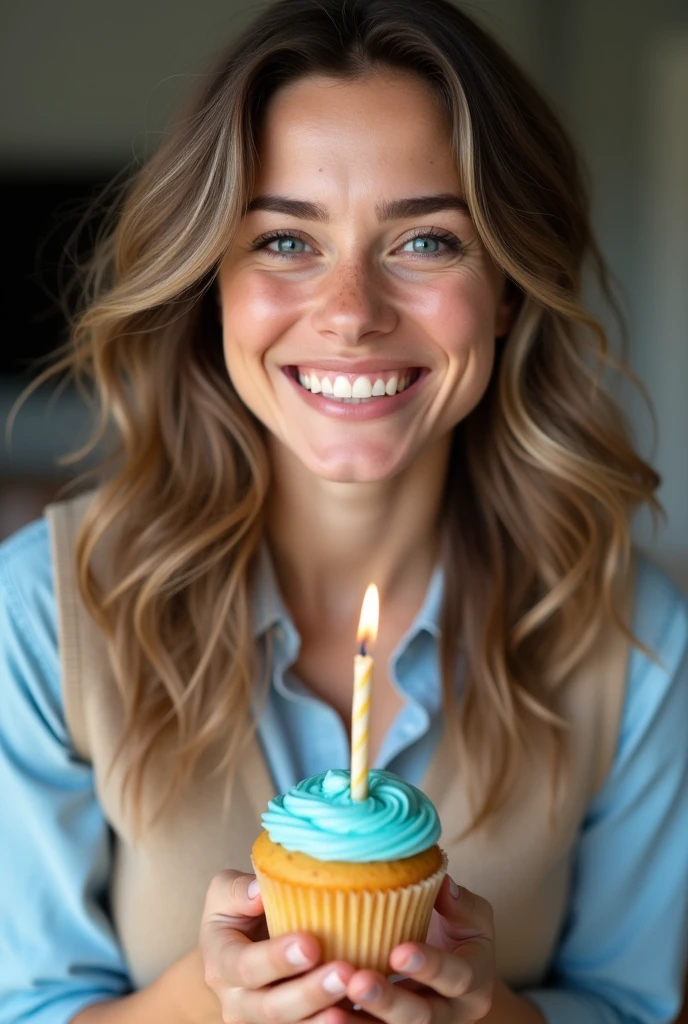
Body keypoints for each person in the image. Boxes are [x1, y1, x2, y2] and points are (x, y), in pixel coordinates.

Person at [1, 0, 687, 1022]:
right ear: (211, 285)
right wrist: (216, 997)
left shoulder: (631, 638)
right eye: (284, 240)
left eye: (424, 240)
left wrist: (485, 1012)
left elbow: (632, 1005)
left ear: (505, 288)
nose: (352, 313)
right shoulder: (48, 612)